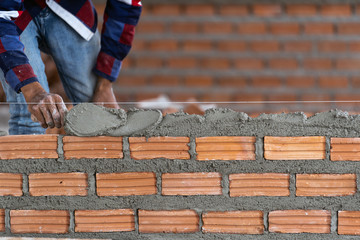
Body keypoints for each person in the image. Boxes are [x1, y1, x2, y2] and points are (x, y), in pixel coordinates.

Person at [0, 0, 142, 135]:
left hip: (68, 6)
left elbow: (126, 5)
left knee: (97, 108)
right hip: (10, 13)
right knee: (33, 115)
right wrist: (32, 91)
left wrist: (105, 84)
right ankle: (30, 155)